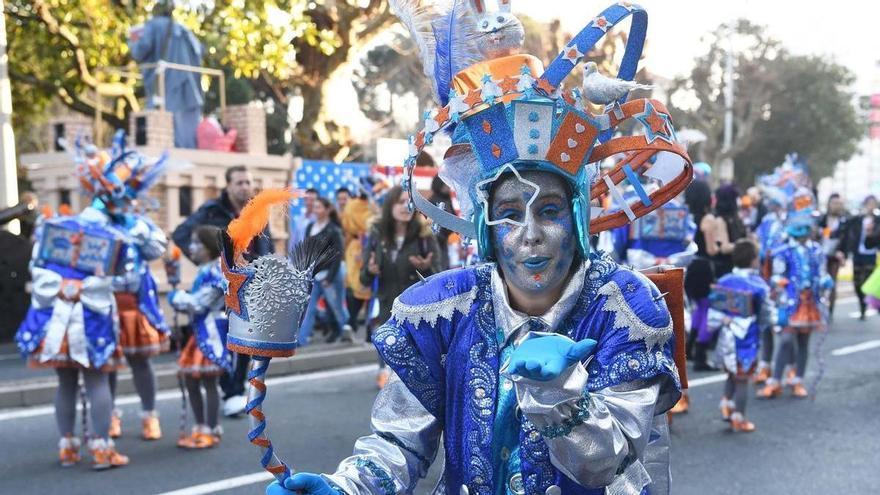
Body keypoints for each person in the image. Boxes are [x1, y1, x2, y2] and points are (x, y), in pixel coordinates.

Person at [264, 3, 689, 493]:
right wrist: (346, 488)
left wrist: (559, 396)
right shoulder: (439, 311)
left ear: (576, 217)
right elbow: (400, 443)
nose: (529, 234)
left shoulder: (625, 306)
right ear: (483, 222)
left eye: (549, 211)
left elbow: (607, 461)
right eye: (509, 213)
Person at [13, 136, 168, 469]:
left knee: (68, 382)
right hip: (93, 313)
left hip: (61, 314)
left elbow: (36, 268)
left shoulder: (58, 227)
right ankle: (101, 448)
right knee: (97, 378)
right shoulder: (114, 235)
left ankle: (68, 446)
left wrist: (68, 284)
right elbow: (124, 277)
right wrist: (98, 281)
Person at [172, 165, 273, 417]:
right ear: (227, 186)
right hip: (221, 286)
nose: (245, 187)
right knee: (222, 337)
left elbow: (266, 246)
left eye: (248, 182)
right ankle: (227, 391)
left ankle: (234, 392)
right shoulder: (211, 210)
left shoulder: (257, 211)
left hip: (249, 283)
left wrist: (263, 271)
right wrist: (204, 260)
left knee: (244, 341)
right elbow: (181, 233)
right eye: (239, 182)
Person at [360, 185, 441, 387]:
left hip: (416, 310)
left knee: (416, 365)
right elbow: (363, 279)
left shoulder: (424, 235)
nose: (405, 207)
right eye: (400, 202)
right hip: (387, 306)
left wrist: (426, 267)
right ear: (390, 205)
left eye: (408, 202)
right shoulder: (377, 235)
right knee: (389, 351)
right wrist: (370, 271)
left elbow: (440, 278)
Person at [758, 189, 832, 399]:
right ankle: (775, 381)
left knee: (803, 343)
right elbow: (776, 276)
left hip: (809, 301)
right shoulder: (783, 251)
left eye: (807, 227)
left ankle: (798, 379)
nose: (804, 231)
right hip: (790, 302)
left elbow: (822, 273)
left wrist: (825, 281)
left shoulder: (816, 250)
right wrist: (780, 284)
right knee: (786, 340)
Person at [168, 225, 231, 448]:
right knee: (191, 379)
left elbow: (199, 304)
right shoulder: (205, 269)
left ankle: (210, 428)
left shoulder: (215, 272)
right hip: (200, 331)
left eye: (198, 243)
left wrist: (177, 297)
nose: (192, 247)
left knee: (208, 380)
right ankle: (202, 425)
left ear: (210, 247)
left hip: (211, 331)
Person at [708, 240, 775, 432]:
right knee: (743, 379)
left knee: (731, 373)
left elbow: (714, 309)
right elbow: (766, 316)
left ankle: (726, 404)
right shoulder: (759, 285)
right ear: (754, 260)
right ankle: (740, 416)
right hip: (747, 339)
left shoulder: (724, 280)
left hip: (726, 335)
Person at [128, 0, 204, 148]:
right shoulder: (184, 30)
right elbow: (199, 52)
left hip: (165, 83)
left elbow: (140, 51)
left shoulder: (152, 26)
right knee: (185, 123)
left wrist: (132, 41)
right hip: (188, 84)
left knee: (161, 116)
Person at [298, 197, 350, 345]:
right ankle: (301, 341)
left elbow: (338, 255)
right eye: (314, 207)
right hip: (314, 275)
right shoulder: (310, 227)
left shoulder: (334, 230)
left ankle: (347, 331)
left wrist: (330, 278)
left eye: (319, 207)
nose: (316, 210)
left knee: (337, 307)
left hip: (331, 275)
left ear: (327, 210)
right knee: (308, 308)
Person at [684, 180, 719, 372]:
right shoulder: (708, 219)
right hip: (704, 266)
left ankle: (689, 346)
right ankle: (701, 353)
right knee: (707, 308)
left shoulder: (687, 217)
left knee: (696, 307)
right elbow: (712, 249)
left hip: (689, 266)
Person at [840, 195, 880, 320]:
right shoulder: (857, 220)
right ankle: (862, 305)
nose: (871, 206)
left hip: (871, 254)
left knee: (868, 282)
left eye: (873, 204)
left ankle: (868, 305)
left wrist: (871, 233)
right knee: (857, 283)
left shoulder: (878, 220)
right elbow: (846, 232)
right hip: (858, 254)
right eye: (869, 203)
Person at [341, 192, 375, 340]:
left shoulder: (353, 205)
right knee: (364, 289)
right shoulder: (371, 205)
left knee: (361, 289)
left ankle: (353, 323)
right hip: (363, 248)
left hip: (361, 248)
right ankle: (361, 326)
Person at [818, 193, 849, 318]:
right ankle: (819, 307)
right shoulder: (822, 219)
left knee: (832, 282)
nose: (837, 206)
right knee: (818, 282)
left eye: (839, 203)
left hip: (835, 256)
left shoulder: (844, 220)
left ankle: (830, 310)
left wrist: (843, 255)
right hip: (820, 255)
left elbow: (846, 240)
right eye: (834, 203)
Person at [712, 184, 746, 278]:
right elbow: (724, 247)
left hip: (737, 267)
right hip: (725, 269)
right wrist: (745, 245)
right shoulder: (720, 220)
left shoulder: (735, 218)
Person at [428, 175, 454, 271]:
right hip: (437, 240)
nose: (448, 187)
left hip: (444, 241)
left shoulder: (446, 199)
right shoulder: (434, 200)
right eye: (445, 184)